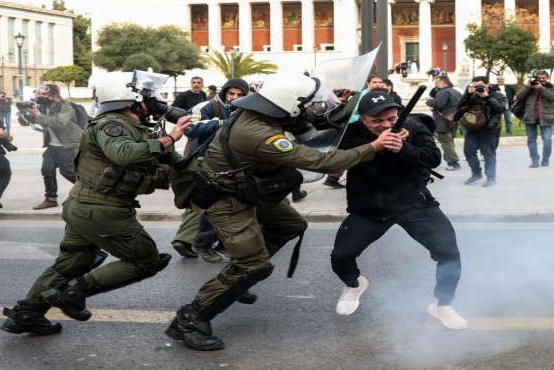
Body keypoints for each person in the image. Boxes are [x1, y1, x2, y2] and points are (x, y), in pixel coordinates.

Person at [164, 74, 402, 351]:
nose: (309, 109)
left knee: (290, 224)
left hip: (244, 190)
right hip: (226, 200)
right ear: (289, 103)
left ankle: (238, 274)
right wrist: (373, 147)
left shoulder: (265, 114)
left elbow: (308, 124)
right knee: (253, 265)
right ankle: (189, 320)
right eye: (305, 104)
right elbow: (320, 161)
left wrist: (340, 105)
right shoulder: (258, 132)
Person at [0, 72, 191, 336]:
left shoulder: (133, 126)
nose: (155, 101)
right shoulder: (112, 124)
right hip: (102, 209)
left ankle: (26, 314)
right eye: (149, 96)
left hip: (85, 206)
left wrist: (201, 165)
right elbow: (123, 153)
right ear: (131, 99)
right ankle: (72, 293)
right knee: (145, 261)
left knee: (72, 263)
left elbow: (172, 160)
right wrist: (170, 137)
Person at [329, 90, 466, 329]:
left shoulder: (412, 126)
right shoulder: (350, 133)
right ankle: (354, 284)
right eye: (377, 121)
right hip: (368, 208)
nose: (385, 125)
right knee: (341, 256)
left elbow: (433, 158)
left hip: (414, 204)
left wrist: (403, 147)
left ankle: (443, 305)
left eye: (391, 119)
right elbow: (332, 155)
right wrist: (376, 144)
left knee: (449, 255)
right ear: (363, 119)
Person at [170, 78, 249, 261]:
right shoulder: (207, 106)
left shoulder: (247, 109)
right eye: (231, 93)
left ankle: (219, 243)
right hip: (202, 163)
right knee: (205, 203)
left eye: (239, 94)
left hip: (233, 165)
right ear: (224, 92)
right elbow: (190, 128)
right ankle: (194, 242)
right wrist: (224, 122)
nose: (234, 97)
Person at [22, 84, 81, 210]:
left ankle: (93, 193)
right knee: (47, 171)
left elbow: (59, 123)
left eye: (43, 94)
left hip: (68, 145)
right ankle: (51, 199)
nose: (40, 97)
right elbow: (33, 121)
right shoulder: (42, 107)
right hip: (52, 145)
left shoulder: (65, 106)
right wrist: (24, 114)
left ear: (54, 95)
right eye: (38, 94)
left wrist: (37, 114)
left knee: (68, 172)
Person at [459, 76, 507, 187]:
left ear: (487, 84)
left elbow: (500, 108)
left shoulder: (498, 95)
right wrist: (467, 94)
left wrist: (487, 97)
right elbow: (460, 106)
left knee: (488, 153)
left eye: (480, 85)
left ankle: (491, 177)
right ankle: (476, 173)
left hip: (491, 129)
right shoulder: (473, 96)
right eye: (475, 86)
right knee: (468, 151)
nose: (478, 88)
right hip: (474, 128)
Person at [514, 70, 554, 168]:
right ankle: (535, 160)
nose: (541, 80)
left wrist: (541, 88)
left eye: (543, 78)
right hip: (530, 117)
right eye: (539, 78)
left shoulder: (552, 87)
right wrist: (528, 87)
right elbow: (518, 97)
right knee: (531, 140)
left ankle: (546, 158)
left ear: (548, 78)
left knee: (547, 140)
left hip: (546, 118)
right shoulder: (530, 87)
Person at [426, 75, 463, 171]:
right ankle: (450, 161)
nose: (436, 85)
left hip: (443, 121)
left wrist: (429, 101)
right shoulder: (455, 91)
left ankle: (453, 162)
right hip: (452, 120)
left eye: (437, 83)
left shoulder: (443, 92)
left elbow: (437, 104)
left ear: (443, 83)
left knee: (446, 142)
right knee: (450, 141)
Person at [173, 76, 208, 157]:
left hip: (202, 124)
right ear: (191, 84)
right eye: (194, 82)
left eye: (198, 83)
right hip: (190, 125)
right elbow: (173, 109)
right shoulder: (183, 96)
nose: (196, 84)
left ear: (202, 84)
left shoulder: (203, 94)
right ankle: (186, 161)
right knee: (192, 142)